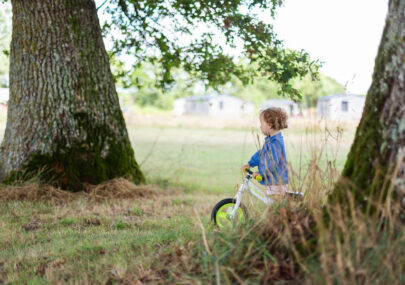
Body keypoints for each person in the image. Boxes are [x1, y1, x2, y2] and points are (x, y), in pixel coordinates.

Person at [242, 107, 289, 196]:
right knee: (272, 205)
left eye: (261, 123)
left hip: (277, 182)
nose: (260, 126)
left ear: (270, 124)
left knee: (275, 207)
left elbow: (272, 163)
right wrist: (250, 163)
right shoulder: (270, 140)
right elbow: (261, 154)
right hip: (273, 181)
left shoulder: (276, 143)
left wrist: (261, 173)